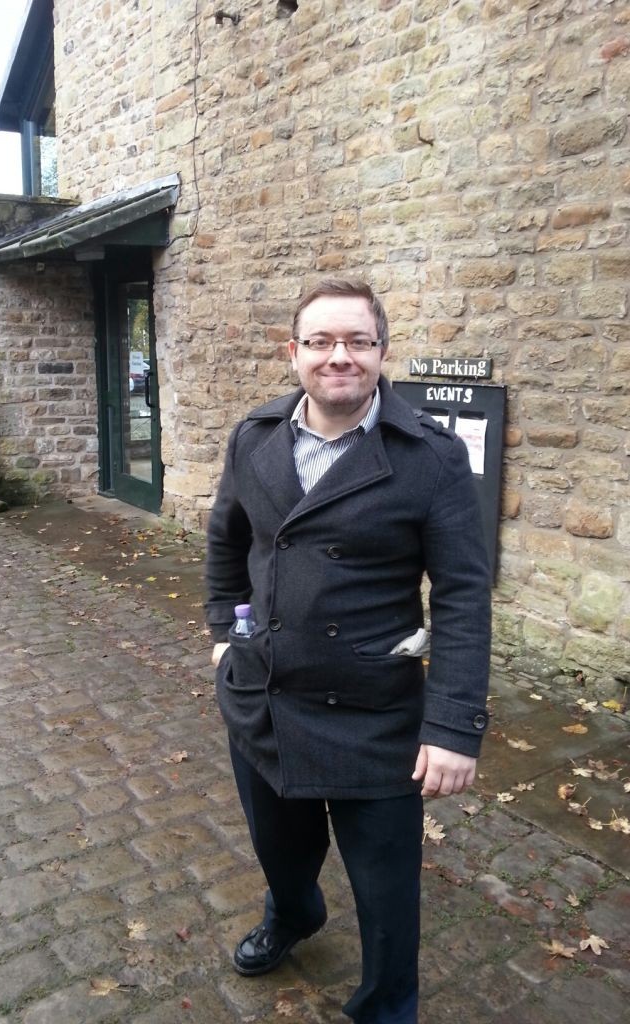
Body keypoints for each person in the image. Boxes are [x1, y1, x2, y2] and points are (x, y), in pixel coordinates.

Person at [205, 278, 491, 1024]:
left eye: (358, 342)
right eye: (322, 342)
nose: (341, 357)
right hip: (264, 696)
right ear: (293, 352)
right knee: (281, 848)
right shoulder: (254, 437)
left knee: (386, 887)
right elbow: (225, 541)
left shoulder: (430, 456)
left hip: (374, 713)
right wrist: (220, 635)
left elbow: (462, 593)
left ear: (381, 352)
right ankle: (294, 915)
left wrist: (453, 725)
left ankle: (387, 1004)